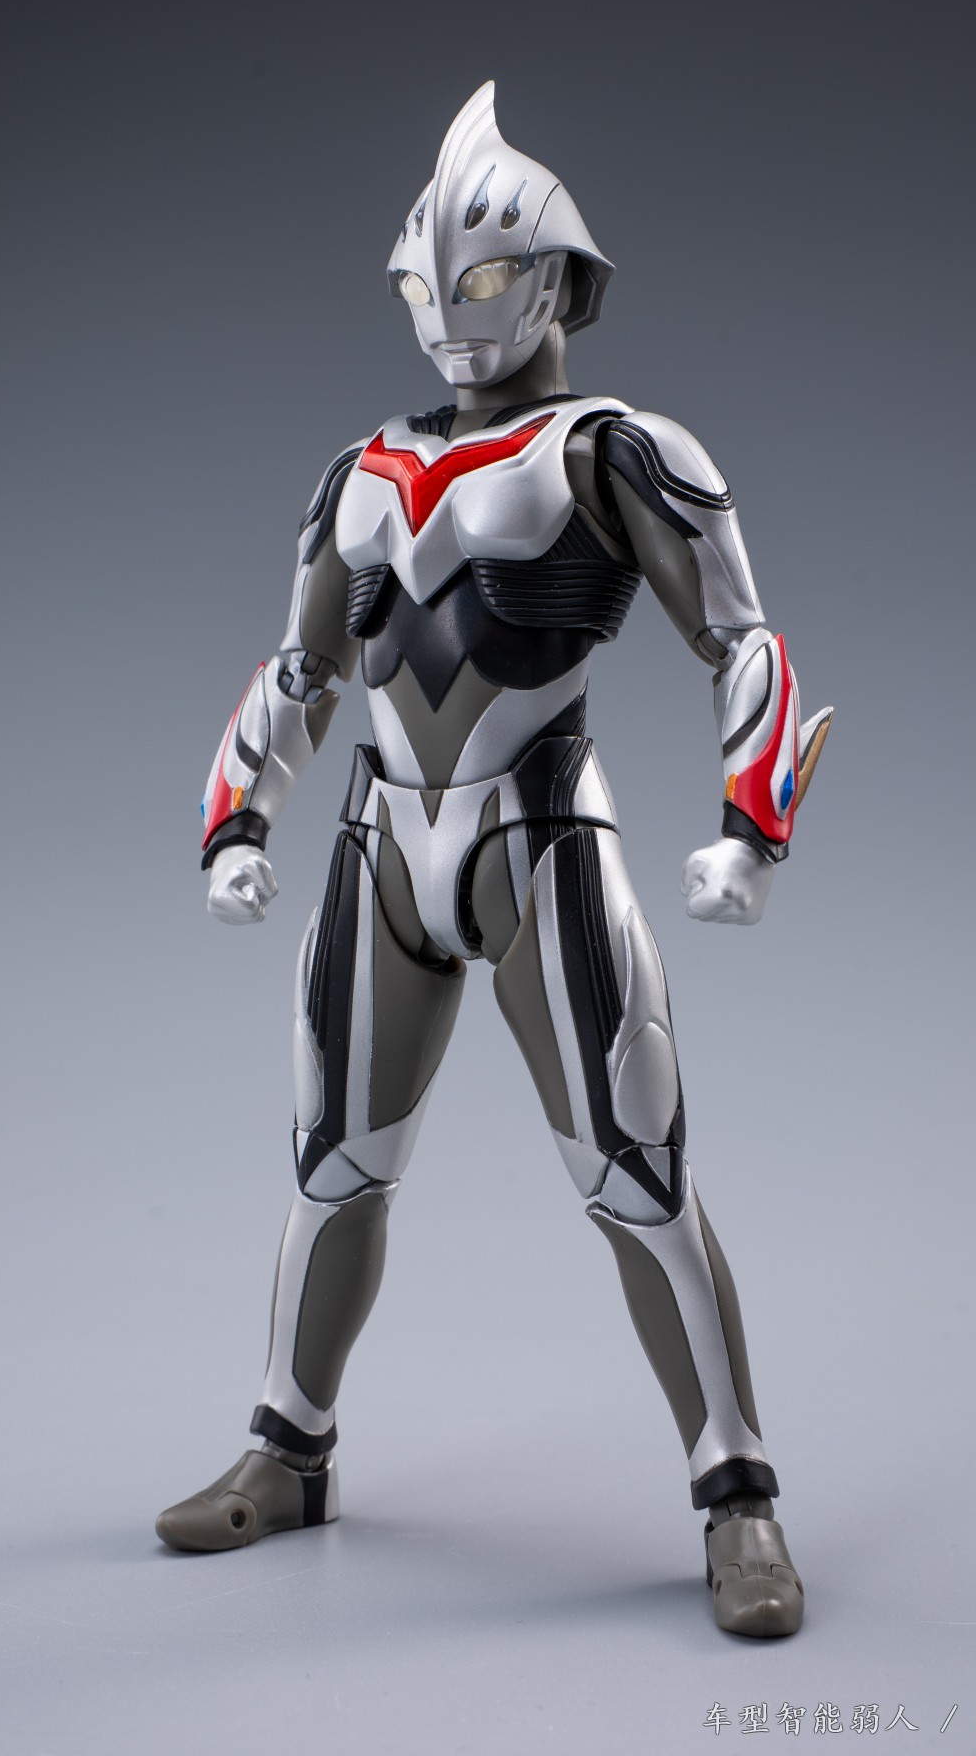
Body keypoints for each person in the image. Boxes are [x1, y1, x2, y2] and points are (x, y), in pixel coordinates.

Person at [156, 82, 831, 1639]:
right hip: (383, 843)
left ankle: (739, 1496)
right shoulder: (361, 470)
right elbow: (303, 670)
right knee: (334, 1165)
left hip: (540, 841)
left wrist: (752, 832)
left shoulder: (614, 451)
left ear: (557, 280)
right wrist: (238, 817)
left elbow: (741, 639)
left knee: (635, 1173)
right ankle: (288, 1448)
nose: (454, 314)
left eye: (486, 276)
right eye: (429, 283)